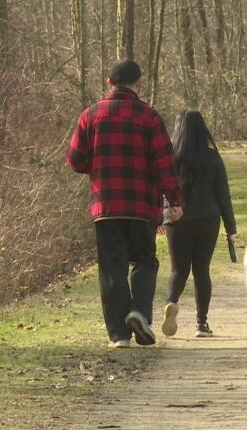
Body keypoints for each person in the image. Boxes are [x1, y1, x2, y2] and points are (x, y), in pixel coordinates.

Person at [66, 59, 183, 348]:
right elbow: (164, 164)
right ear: (138, 83)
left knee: (112, 267)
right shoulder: (150, 117)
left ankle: (119, 335)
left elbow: (75, 160)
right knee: (145, 261)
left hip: (105, 206)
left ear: (109, 83)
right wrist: (175, 199)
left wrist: (98, 165)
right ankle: (139, 312)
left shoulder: (89, 116)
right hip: (142, 206)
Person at [161, 110, 236, 338]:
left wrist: (160, 216)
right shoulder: (212, 157)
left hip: (177, 219)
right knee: (201, 271)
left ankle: (171, 303)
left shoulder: (171, 157)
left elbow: (160, 187)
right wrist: (231, 228)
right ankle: (201, 324)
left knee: (178, 269)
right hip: (207, 218)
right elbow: (223, 194)